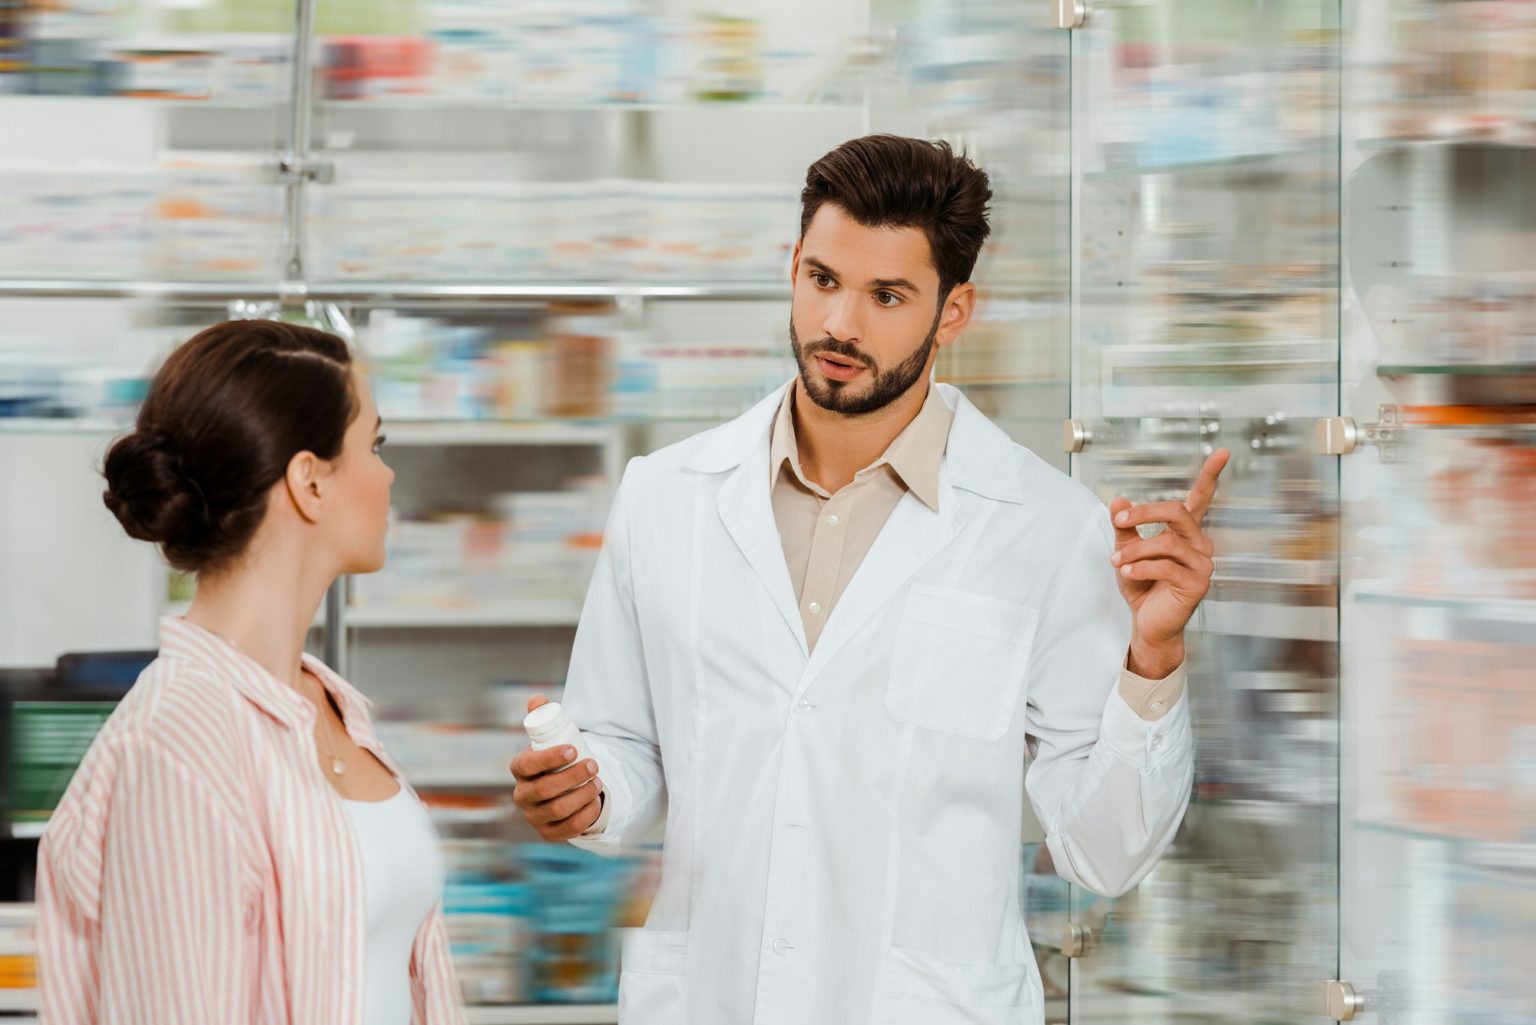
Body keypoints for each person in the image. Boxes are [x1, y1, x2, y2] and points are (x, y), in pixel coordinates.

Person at [510, 134, 1230, 1024]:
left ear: (954, 310)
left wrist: (1153, 658)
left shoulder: (1043, 526)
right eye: (822, 280)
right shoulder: (667, 496)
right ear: (794, 265)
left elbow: (1105, 850)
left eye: (887, 295)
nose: (840, 325)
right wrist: (588, 794)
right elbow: (630, 751)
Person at [35, 321, 466, 1025]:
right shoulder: (178, 743)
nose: (388, 475)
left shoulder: (330, 706)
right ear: (309, 482)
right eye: (375, 445)